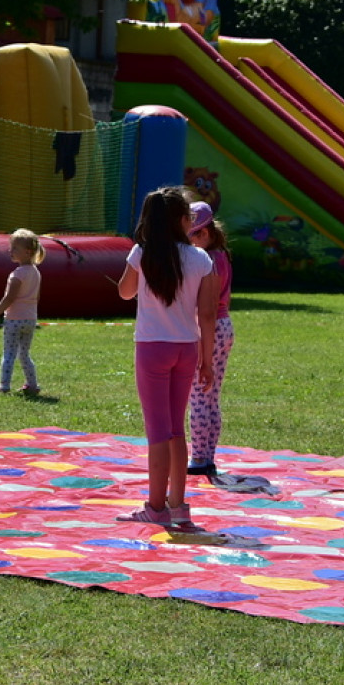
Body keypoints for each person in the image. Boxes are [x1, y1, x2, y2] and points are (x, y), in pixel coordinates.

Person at [116, 187, 218, 528]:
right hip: (186, 348)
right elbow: (207, 315)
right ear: (180, 220)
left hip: (151, 348)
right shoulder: (201, 259)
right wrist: (207, 361)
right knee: (176, 430)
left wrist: (136, 264)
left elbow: (125, 291)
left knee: (158, 432)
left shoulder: (141, 252)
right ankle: (178, 505)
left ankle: (155, 507)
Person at [186, 201, 234, 477]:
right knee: (211, 397)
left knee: (199, 397)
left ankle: (199, 458)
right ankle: (207, 456)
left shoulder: (208, 262)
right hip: (223, 326)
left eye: (189, 237)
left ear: (204, 235)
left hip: (210, 328)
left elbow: (205, 308)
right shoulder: (221, 256)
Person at [0, 228, 45, 395]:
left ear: (27, 252)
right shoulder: (36, 273)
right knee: (24, 354)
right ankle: (32, 384)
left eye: (15, 249)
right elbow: (37, 297)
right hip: (30, 319)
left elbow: (9, 298)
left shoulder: (17, 274)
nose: (10, 251)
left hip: (14, 320)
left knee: (9, 354)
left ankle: (4, 385)